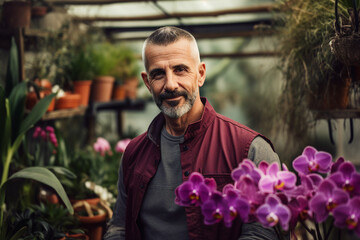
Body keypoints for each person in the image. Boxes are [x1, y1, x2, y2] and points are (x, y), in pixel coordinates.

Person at [104, 26, 281, 240]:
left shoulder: (250, 150)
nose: (170, 84)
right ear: (147, 83)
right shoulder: (133, 153)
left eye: (180, 69)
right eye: (158, 74)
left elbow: (262, 234)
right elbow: (119, 228)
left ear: (201, 74)